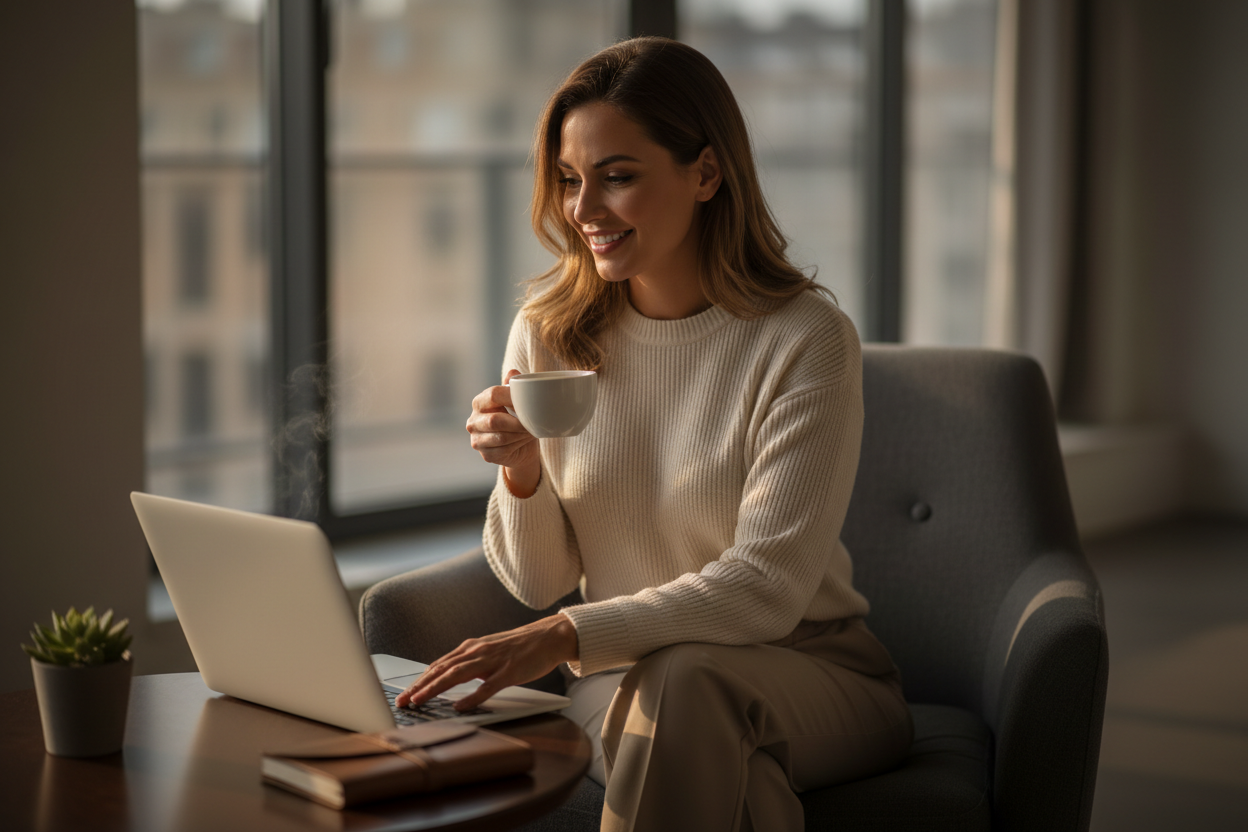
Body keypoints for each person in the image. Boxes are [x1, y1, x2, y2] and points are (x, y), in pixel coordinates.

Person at [397, 36, 913, 832]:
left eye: (618, 177)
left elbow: (768, 588)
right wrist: (523, 473)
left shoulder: (805, 338)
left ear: (706, 173)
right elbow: (536, 583)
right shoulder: (548, 333)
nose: (582, 210)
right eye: (570, 181)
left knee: (689, 686)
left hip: (810, 672)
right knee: (726, 767)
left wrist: (566, 633)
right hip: (623, 678)